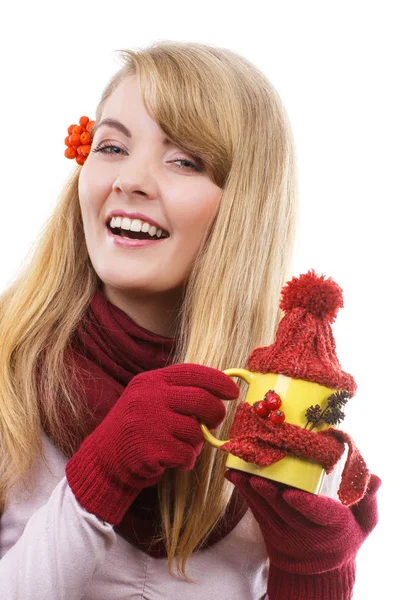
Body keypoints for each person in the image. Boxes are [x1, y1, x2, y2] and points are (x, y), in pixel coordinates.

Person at [0, 40, 380, 599]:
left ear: (244, 204)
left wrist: (316, 572)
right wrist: (98, 478)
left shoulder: (280, 414)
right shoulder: (8, 371)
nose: (130, 180)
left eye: (184, 160)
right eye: (110, 147)